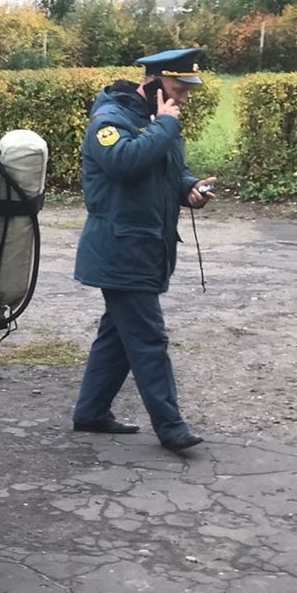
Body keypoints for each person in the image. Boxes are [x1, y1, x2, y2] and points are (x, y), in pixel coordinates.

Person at [71, 48, 215, 453]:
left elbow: (166, 169)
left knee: (117, 336)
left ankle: (91, 411)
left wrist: (189, 187)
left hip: (143, 248)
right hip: (121, 250)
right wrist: (166, 126)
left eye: (187, 89)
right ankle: (171, 427)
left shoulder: (154, 121)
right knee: (149, 339)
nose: (183, 97)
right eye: (177, 87)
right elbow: (124, 161)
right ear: (151, 83)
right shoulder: (109, 120)